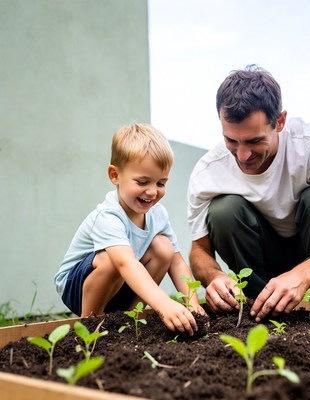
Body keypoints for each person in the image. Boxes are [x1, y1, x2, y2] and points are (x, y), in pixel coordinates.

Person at [187, 65, 310, 323]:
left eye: (254, 141)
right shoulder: (208, 172)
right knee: (223, 211)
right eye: (231, 140)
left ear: (280, 122)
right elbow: (199, 250)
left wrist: (301, 276)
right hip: (260, 254)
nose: (242, 155)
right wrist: (214, 276)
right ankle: (259, 310)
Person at [55, 123, 204, 335]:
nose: (152, 192)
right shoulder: (108, 216)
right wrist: (164, 304)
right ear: (115, 175)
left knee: (164, 248)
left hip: (121, 282)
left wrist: (193, 303)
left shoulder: (158, 214)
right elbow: (124, 263)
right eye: (143, 181)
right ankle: (89, 327)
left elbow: (177, 261)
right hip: (77, 287)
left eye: (161, 183)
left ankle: (129, 321)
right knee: (110, 258)